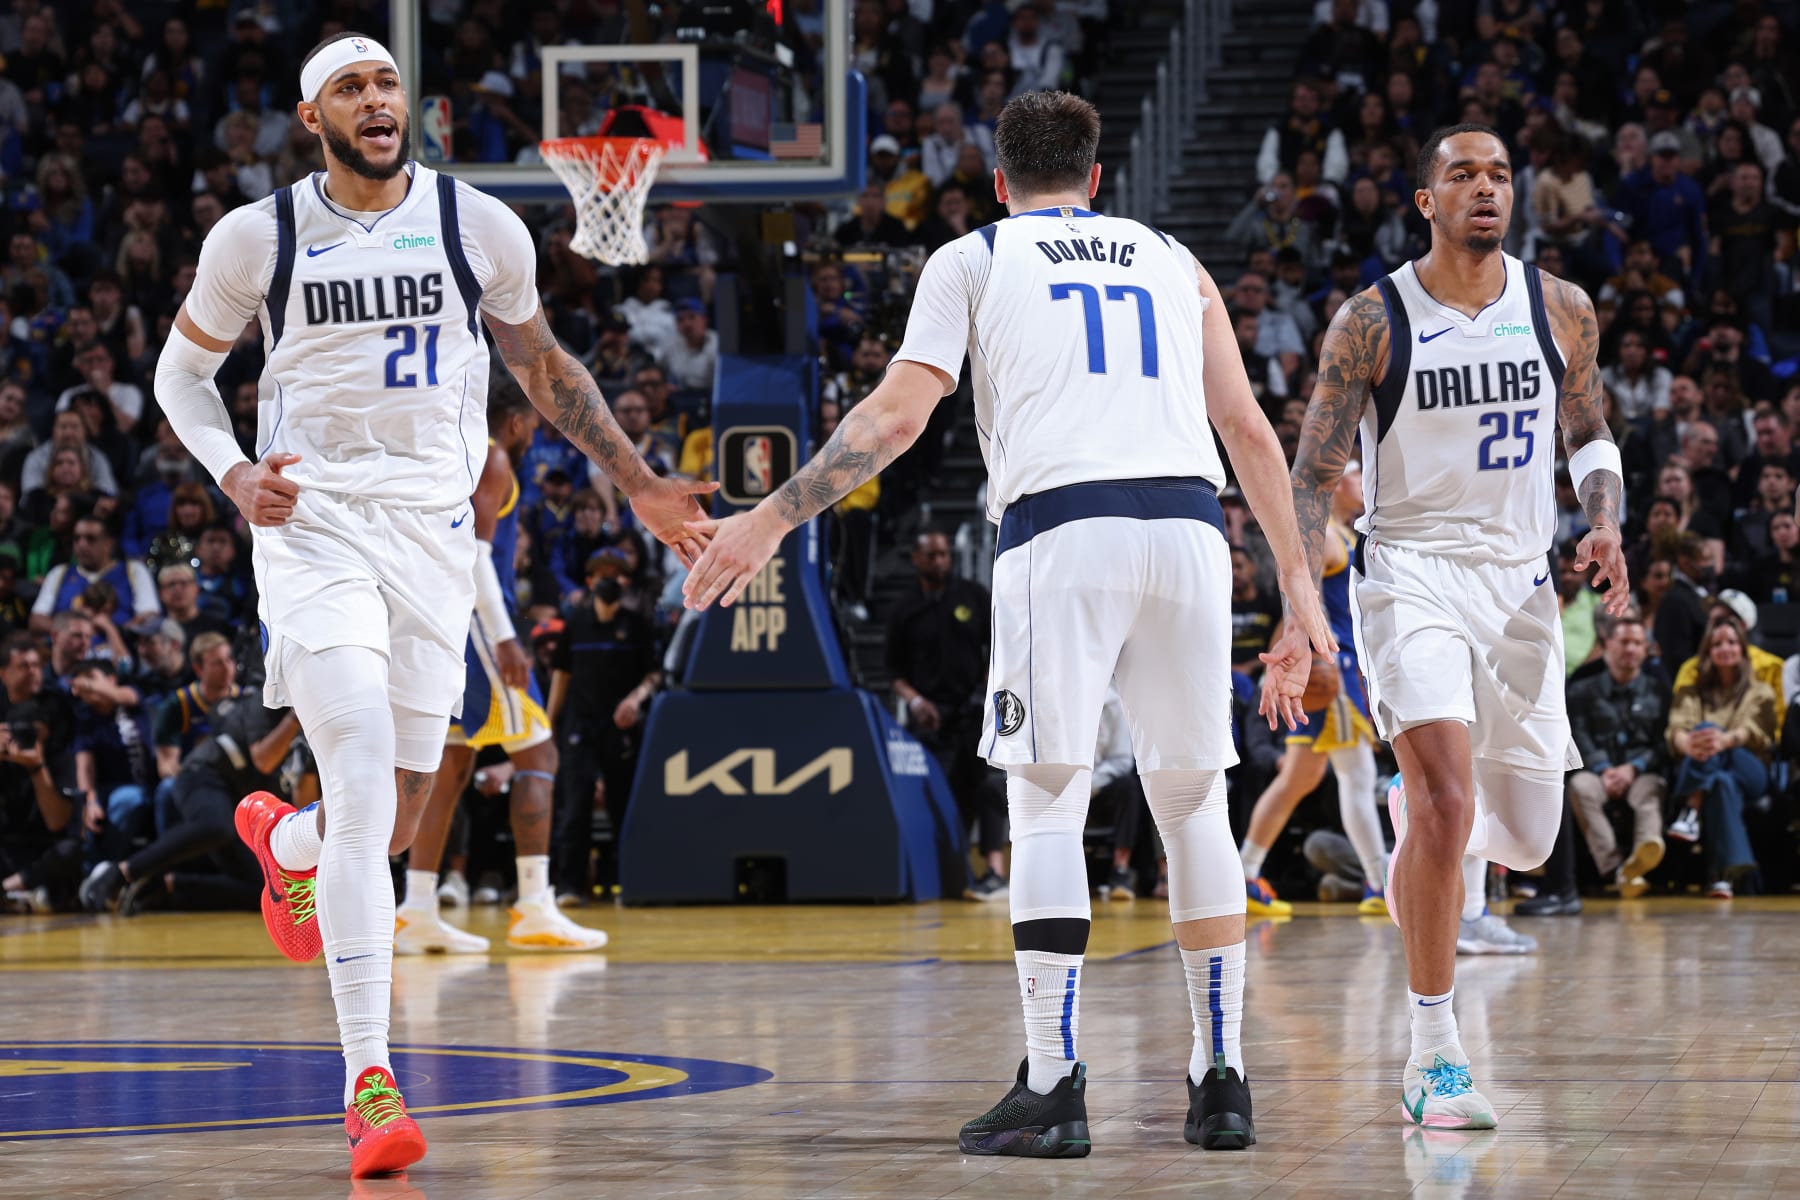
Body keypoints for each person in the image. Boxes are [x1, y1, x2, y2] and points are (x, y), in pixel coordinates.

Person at [680, 91, 1331, 1156]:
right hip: (1189, 529)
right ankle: (1222, 1081)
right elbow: (1251, 433)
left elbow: (896, 416)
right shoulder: (1176, 259)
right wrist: (1300, 595)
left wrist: (771, 517)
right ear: (1097, 177)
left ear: (996, 182)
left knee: (1046, 805)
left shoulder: (974, 257)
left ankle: (1054, 1082)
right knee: (1193, 805)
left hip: (1062, 531)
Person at [155, 32, 712, 1179]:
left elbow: (545, 368)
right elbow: (181, 375)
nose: (375, 99)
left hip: (432, 541)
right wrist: (232, 473)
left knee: (399, 815)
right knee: (365, 771)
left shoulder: (477, 225)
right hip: (313, 528)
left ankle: (287, 837)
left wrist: (640, 482)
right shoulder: (259, 236)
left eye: (386, 83)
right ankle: (370, 1083)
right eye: (349, 88)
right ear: (312, 118)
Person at [1286, 123, 1628, 1129]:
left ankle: (1424, 825)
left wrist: (1604, 519)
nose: (1486, 188)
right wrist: (1301, 613)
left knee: (1527, 839)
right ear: (1425, 201)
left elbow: (1589, 429)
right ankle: (1433, 1053)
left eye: (1500, 175)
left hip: (1519, 583)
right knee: (1444, 799)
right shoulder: (1372, 319)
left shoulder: (1560, 306)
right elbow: (1313, 473)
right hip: (1409, 575)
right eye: (1463, 175)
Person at [397, 383, 606, 954]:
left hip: (443, 622)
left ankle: (416, 909)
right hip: (477, 626)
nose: (535, 433)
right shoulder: (490, 458)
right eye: (532, 424)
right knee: (540, 755)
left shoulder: (451, 450)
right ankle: (535, 905)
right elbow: (477, 554)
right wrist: (506, 637)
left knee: (450, 764)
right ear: (513, 422)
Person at [1239, 462, 1389, 919]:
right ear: (1338, 483)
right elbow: (1301, 598)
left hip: (1334, 666)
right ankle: (1380, 883)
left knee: (1299, 780)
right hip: (1330, 670)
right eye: (1356, 475)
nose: (1363, 483)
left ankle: (1245, 873)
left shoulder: (1342, 534)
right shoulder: (1327, 537)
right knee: (1357, 776)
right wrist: (1302, 657)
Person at [885, 529, 1007, 898]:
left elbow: (999, 648)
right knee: (941, 798)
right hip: (930, 719)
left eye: (944, 554)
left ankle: (993, 871)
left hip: (971, 712)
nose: (940, 561)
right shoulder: (904, 608)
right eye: (932, 555)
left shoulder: (973, 595)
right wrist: (915, 702)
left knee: (984, 789)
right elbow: (893, 671)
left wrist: (984, 690)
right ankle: (949, 872)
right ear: (916, 559)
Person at [1664, 618, 1775, 898]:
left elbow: (1757, 732)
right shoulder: (1692, 691)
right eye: (1717, 644)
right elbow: (1676, 729)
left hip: (1750, 767)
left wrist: (1725, 740)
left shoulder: (1760, 691)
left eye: (1732, 642)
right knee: (1722, 783)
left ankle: (1691, 807)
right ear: (1707, 652)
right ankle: (1723, 876)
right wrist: (1687, 744)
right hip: (1710, 766)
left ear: (1743, 649)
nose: (1725, 648)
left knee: (1706, 731)